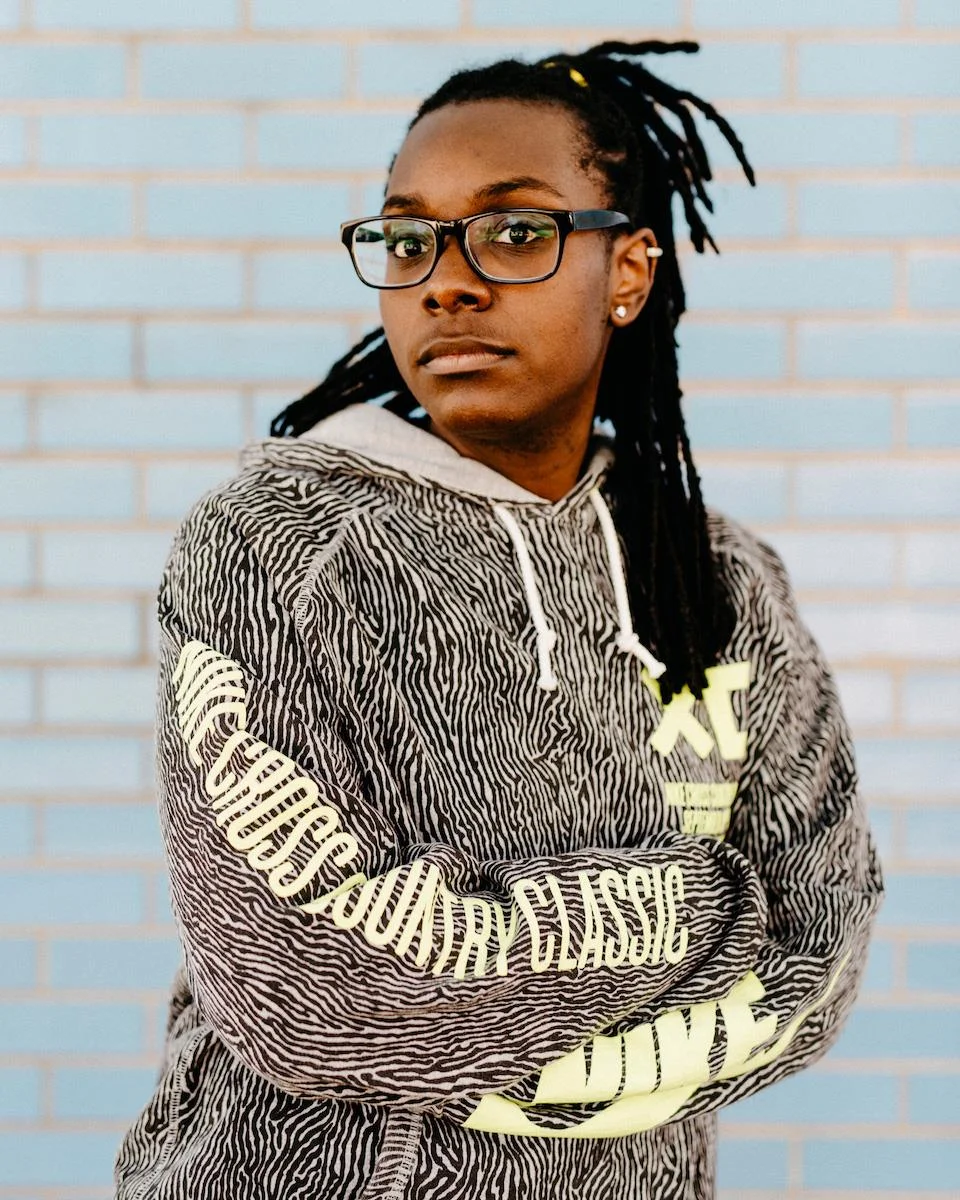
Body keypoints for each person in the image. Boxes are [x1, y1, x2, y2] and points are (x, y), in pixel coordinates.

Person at [114, 39, 884, 1200]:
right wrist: (703, 899)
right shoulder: (278, 548)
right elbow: (312, 989)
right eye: (408, 240)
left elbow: (819, 949)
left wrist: (488, 1013)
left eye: (516, 232)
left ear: (629, 271)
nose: (447, 282)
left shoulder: (719, 582)